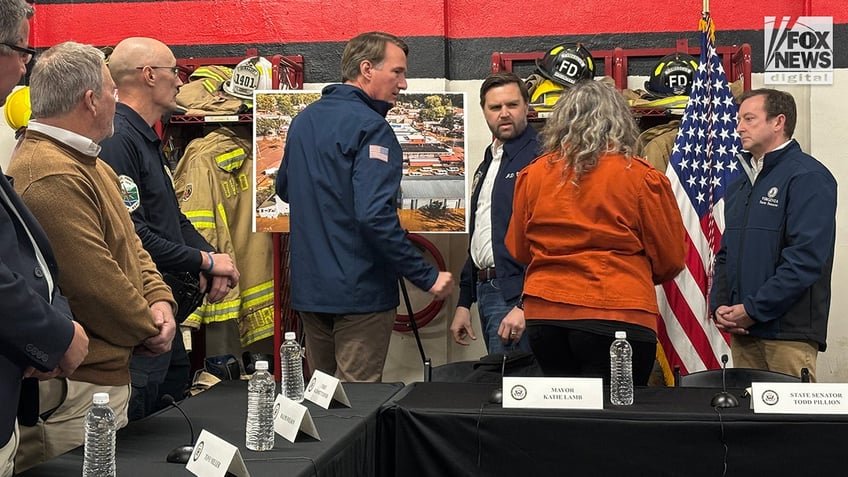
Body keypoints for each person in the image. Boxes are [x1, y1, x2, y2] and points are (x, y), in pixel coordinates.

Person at [8, 41, 177, 471]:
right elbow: (92, 282)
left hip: (97, 381)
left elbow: (132, 247)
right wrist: (150, 327)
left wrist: (161, 301)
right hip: (77, 389)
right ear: (90, 100)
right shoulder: (50, 172)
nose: (116, 102)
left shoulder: (90, 163)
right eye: (111, 92)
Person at [276, 31, 454, 382]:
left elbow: (285, 189)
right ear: (367, 68)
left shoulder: (303, 121)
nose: (403, 84)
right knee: (356, 405)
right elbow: (374, 216)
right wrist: (426, 275)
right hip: (360, 294)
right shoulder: (373, 128)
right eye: (398, 72)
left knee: (322, 398)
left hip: (311, 292)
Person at [499, 80, 686, 385]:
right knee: (617, 420)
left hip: (546, 316)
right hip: (619, 313)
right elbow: (671, 259)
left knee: (565, 418)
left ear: (560, 121)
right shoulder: (642, 178)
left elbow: (519, 251)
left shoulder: (532, 175)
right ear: (621, 121)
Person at [98, 37, 240, 419]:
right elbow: (133, 235)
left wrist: (212, 258)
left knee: (172, 402)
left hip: (165, 313)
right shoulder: (119, 141)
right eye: (173, 72)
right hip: (141, 314)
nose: (180, 82)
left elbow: (172, 218)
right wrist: (205, 262)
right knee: (141, 420)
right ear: (148, 76)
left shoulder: (145, 137)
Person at [0, 2, 89, 475]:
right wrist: (55, 336)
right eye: (21, 49)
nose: (24, 64)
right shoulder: (45, 169)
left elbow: (36, 263)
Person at [711, 89, 836, 381]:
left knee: (792, 426)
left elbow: (805, 259)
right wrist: (720, 306)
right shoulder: (740, 186)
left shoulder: (808, 177)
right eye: (739, 119)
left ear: (778, 122)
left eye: (749, 119)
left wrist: (753, 309)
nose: (739, 127)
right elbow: (726, 254)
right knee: (747, 425)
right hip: (744, 331)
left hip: (788, 335)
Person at [450, 72, 538, 355]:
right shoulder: (488, 161)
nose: (504, 114)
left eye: (512, 105)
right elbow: (481, 234)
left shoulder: (541, 158)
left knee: (517, 390)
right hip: (487, 291)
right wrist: (465, 301)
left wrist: (525, 304)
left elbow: (551, 240)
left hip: (519, 297)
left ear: (526, 106)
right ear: (484, 111)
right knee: (499, 387)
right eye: (495, 107)